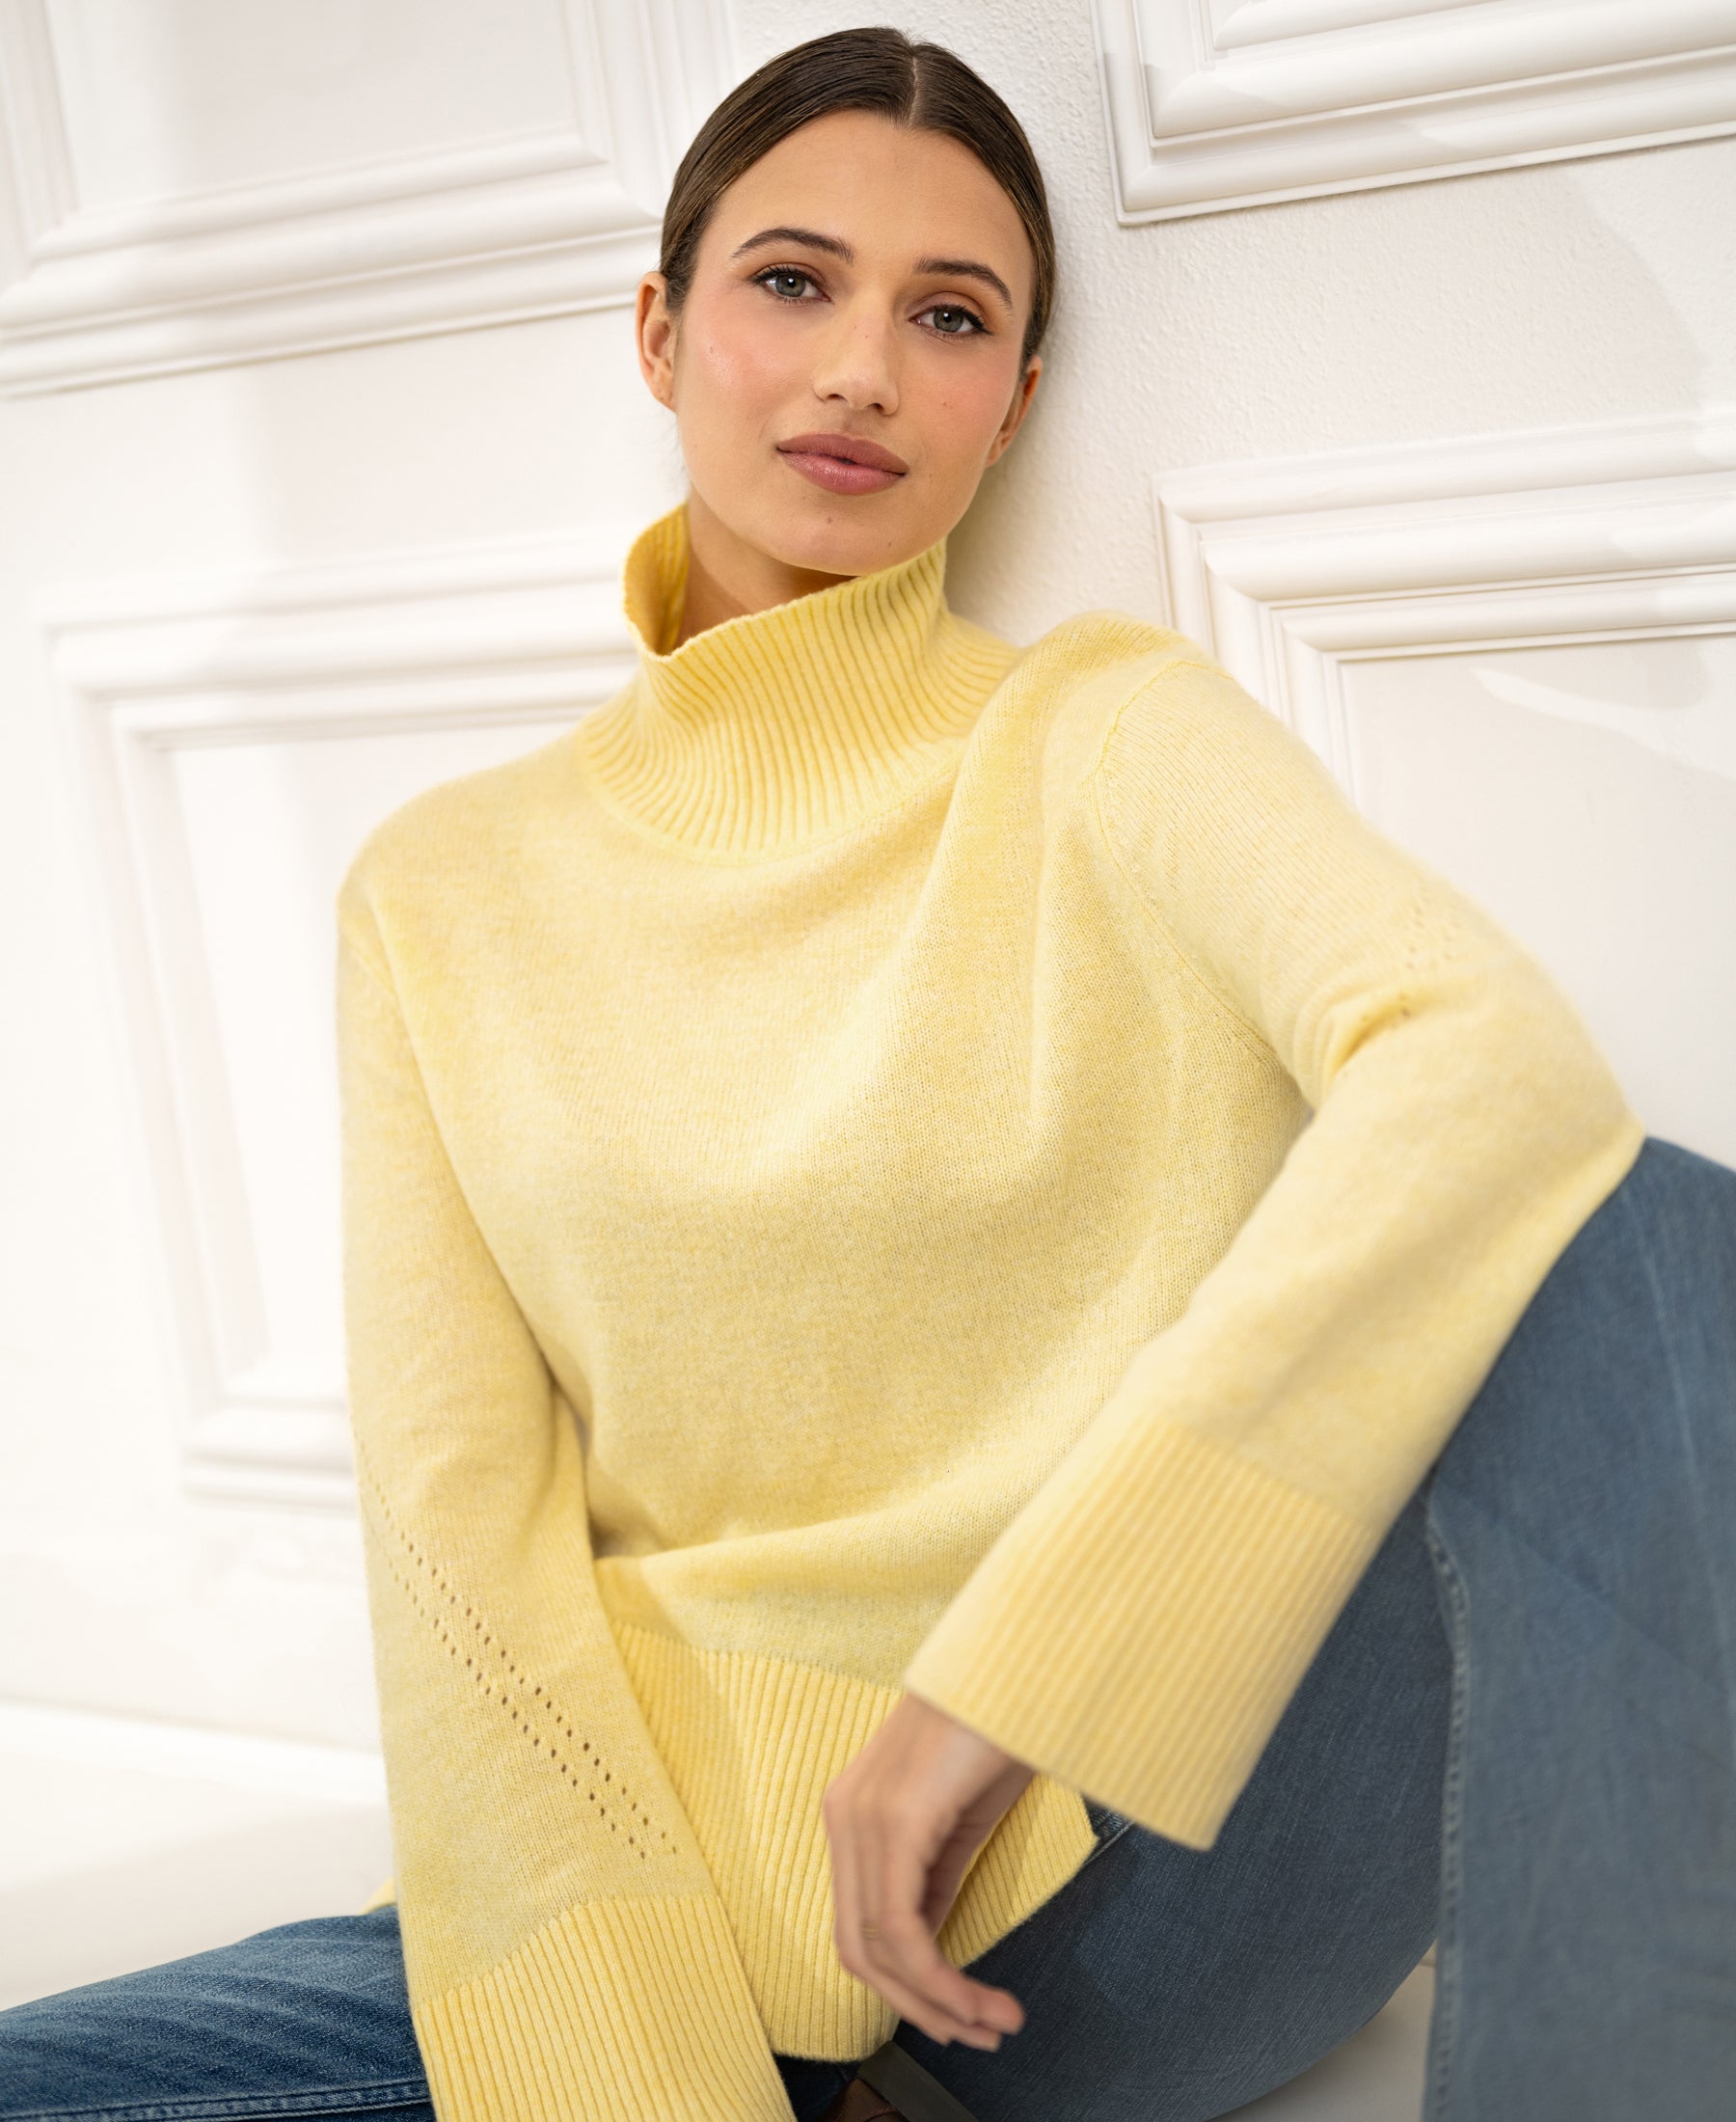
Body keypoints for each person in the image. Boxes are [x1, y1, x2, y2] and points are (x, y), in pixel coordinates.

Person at [3, 25, 1733, 2122]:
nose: (860, 370)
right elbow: (462, 1554)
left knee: (1651, 1237)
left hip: (1106, 1904)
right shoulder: (439, 893)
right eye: (791, 282)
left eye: (949, 316)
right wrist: (639, 2075)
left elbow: (1493, 1073)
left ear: (1016, 400)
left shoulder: (1105, 737)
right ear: (661, 331)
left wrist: (1009, 1680)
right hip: (645, 1898)